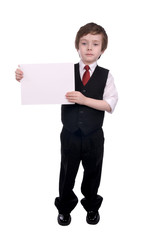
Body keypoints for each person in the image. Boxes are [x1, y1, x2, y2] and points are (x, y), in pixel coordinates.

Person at [15, 22, 118, 226]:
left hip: (94, 136)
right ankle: (64, 208)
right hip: (70, 134)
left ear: (102, 50)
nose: (89, 48)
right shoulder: (64, 72)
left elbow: (110, 104)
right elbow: (42, 83)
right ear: (77, 47)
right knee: (67, 172)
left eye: (95, 44)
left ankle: (91, 206)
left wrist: (84, 100)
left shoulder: (106, 75)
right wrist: (25, 78)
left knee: (93, 173)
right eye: (84, 43)